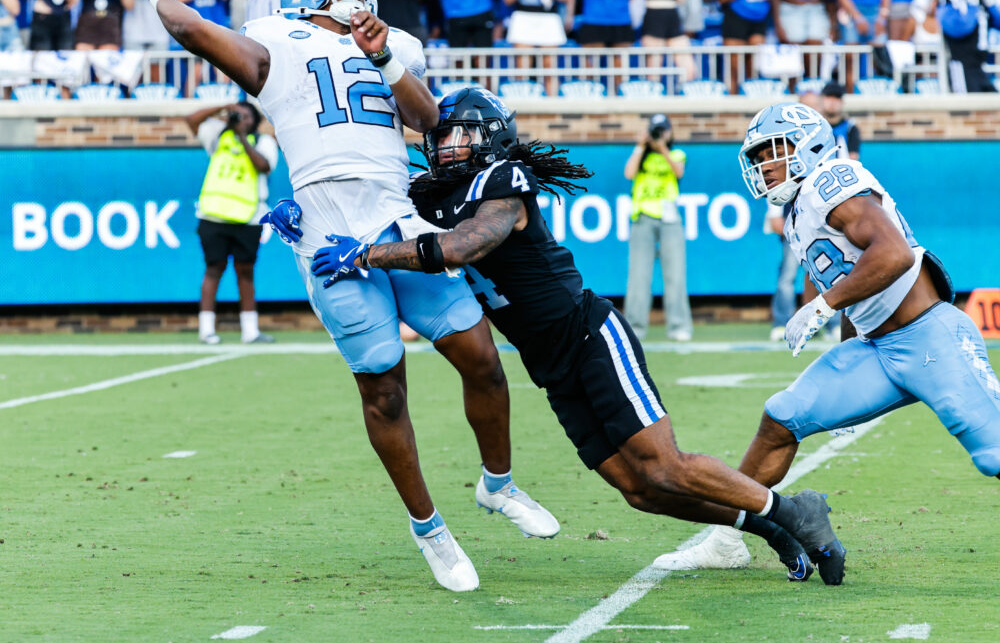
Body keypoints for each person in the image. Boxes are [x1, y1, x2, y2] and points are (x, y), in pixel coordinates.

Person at [129, 0, 559, 593]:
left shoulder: (396, 43)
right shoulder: (277, 38)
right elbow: (193, 31)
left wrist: (383, 56)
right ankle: (430, 529)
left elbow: (431, 121)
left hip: (398, 216)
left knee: (482, 358)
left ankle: (497, 484)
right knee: (385, 388)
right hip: (328, 229)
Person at [311, 86, 849, 587]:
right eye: (441, 137)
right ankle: (773, 528)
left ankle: (794, 512)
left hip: (588, 334)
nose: (449, 147)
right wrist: (311, 219)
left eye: (462, 134)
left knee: (663, 465)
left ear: (493, 135)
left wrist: (365, 255)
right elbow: (373, 210)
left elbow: (463, 246)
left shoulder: (504, 178)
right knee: (638, 490)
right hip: (548, 365)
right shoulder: (429, 198)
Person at [654, 101, 1000, 573]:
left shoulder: (830, 182)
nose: (766, 166)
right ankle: (727, 539)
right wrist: (844, 355)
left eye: (774, 151)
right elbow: (856, 286)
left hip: (931, 339)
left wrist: (822, 303)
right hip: (877, 347)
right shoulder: (799, 207)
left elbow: (890, 255)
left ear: (807, 146)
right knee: (781, 419)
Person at [185, 101, 278, 346]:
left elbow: (264, 166)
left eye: (247, 117)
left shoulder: (263, 141)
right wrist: (223, 108)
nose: (242, 120)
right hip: (213, 216)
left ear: (255, 122)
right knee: (213, 269)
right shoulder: (218, 135)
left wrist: (242, 137)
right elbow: (192, 120)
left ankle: (250, 331)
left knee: (245, 272)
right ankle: (206, 330)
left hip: (248, 217)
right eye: (239, 115)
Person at [623, 113, 693, 342]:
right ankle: (635, 327)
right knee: (638, 275)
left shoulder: (676, 153)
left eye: (662, 130)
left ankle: (679, 326)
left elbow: (679, 171)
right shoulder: (642, 155)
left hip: (670, 219)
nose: (658, 135)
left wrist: (662, 147)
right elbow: (629, 173)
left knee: (675, 274)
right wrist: (640, 145)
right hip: (642, 217)